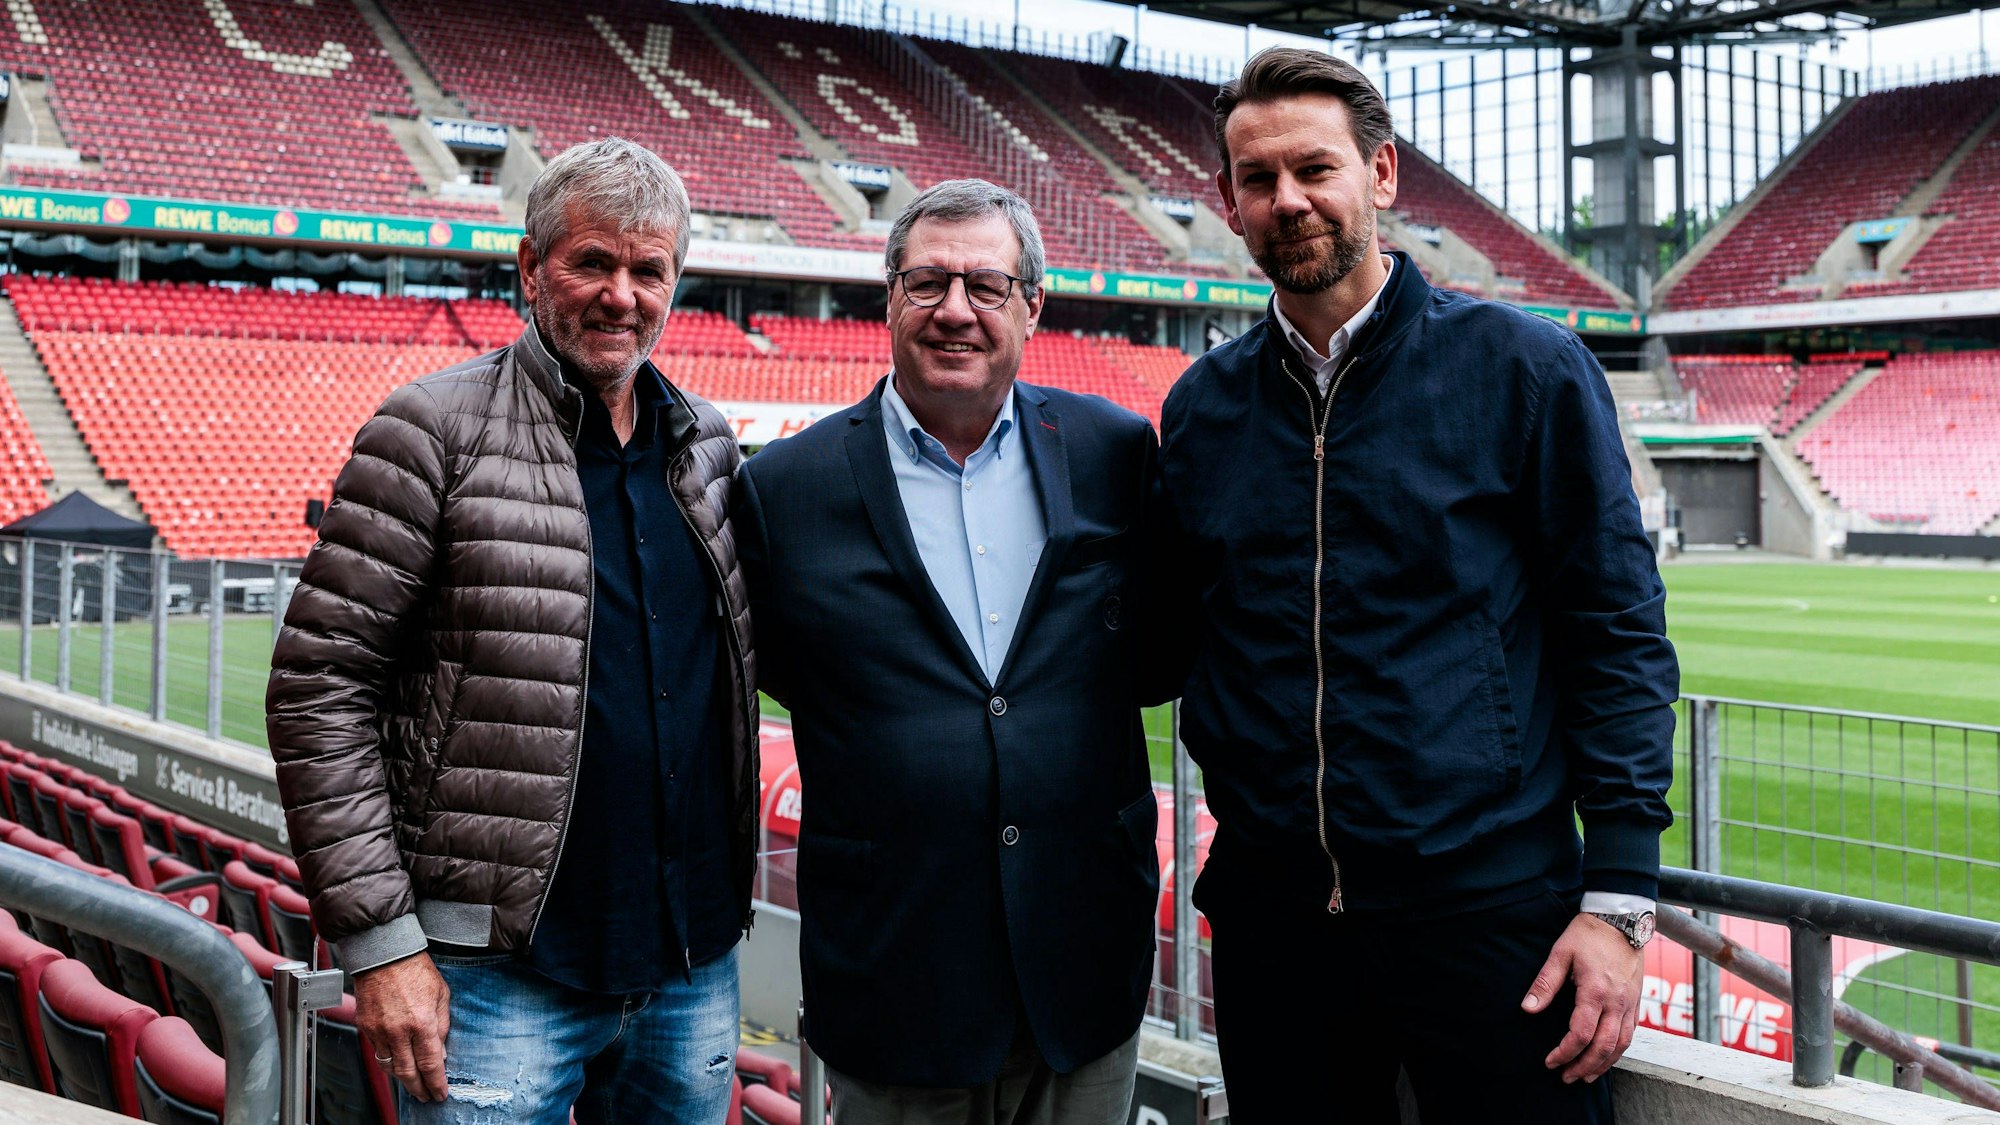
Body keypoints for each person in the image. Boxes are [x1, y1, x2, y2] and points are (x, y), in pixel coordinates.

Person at [1158, 48, 1678, 1122]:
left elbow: (1614, 629)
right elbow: (1184, 632)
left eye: (1315, 168)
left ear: (1380, 176)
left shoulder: (1522, 371)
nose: (1287, 200)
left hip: (1488, 917)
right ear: (1226, 202)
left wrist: (1619, 900)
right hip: (1274, 922)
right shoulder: (1201, 408)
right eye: (1256, 180)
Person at [266, 137, 758, 1124]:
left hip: (688, 962)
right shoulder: (428, 432)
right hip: (495, 970)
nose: (621, 294)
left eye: (647, 269)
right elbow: (320, 691)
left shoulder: (704, 446)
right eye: (591, 263)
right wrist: (385, 946)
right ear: (531, 269)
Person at [737, 179, 1171, 1124]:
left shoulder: (1115, 452)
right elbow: (774, 674)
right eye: (927, 282)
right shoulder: (785, 488)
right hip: (896, 976)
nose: (956, 310)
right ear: (889, 296)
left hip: (1084, 965)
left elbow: (1155, 650)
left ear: (1032, 304)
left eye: (985, 284)